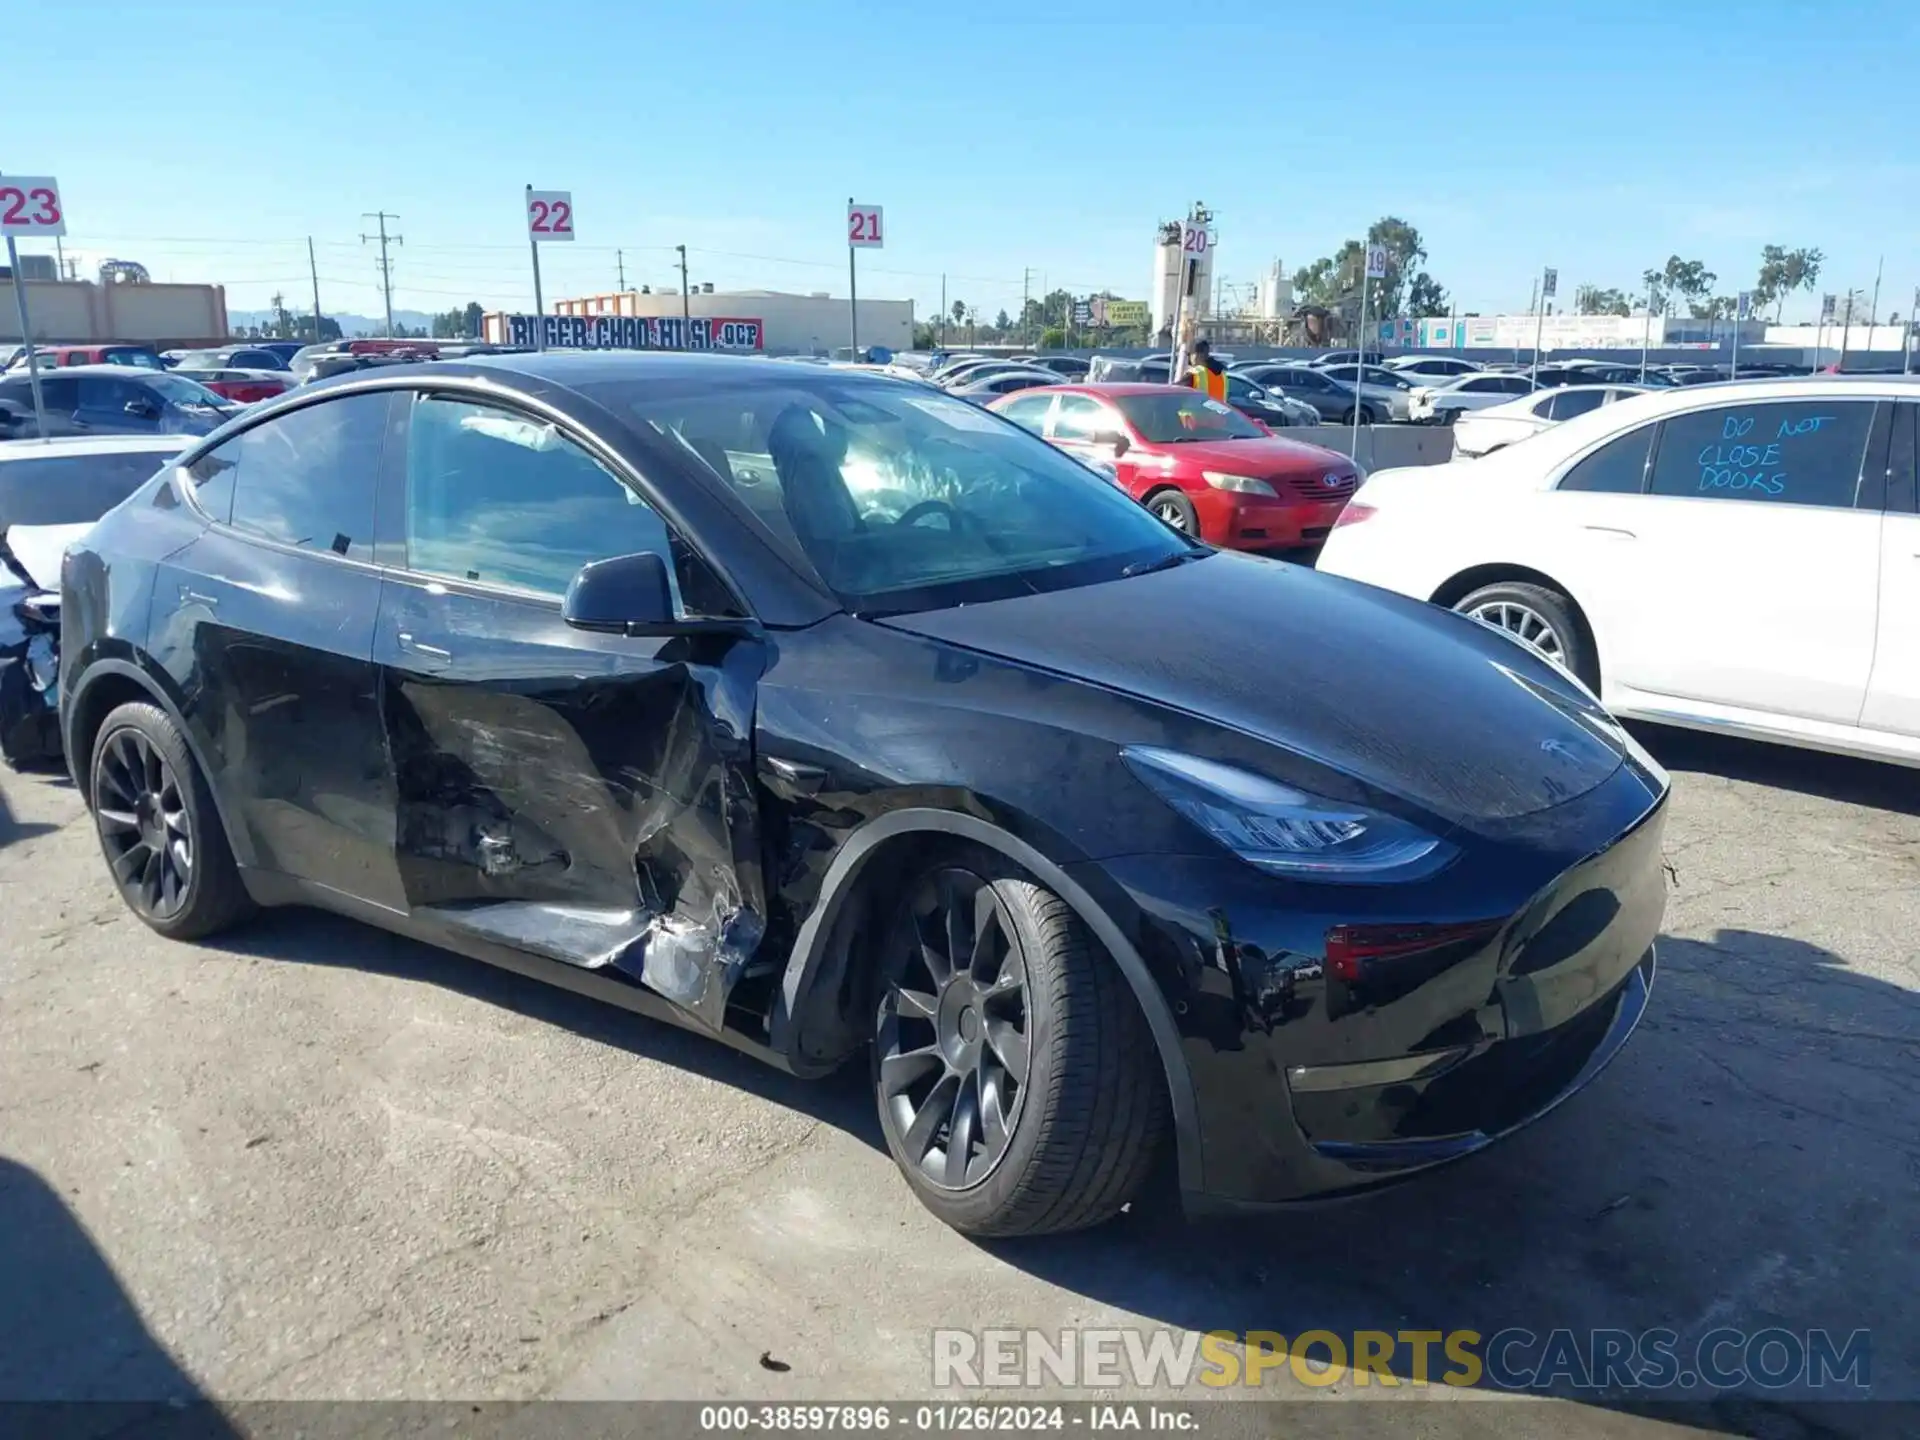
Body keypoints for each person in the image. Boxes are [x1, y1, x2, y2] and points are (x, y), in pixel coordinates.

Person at [1184, 337, 1227, 401]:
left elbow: (1173, 392)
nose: (1189, 359)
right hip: (1216, 410)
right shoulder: (1222, 374)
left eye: (1189, 355)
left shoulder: (1194, 373)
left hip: (1194, 411)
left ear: (1195, 355)